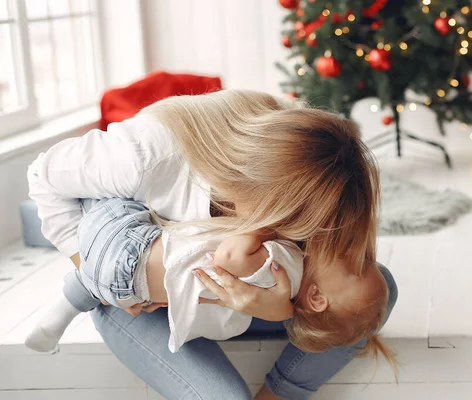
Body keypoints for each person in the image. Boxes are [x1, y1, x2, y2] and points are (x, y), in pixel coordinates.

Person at [27, 90, 398, 400]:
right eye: (294, 221)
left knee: (377, 293)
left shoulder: (315, 172)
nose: (305, 237)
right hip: (133, 297)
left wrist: (280, 309)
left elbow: (326, 294)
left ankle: (281, 393)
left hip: (232, 301)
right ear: (266, 189)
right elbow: (43, 176)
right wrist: (93, 273)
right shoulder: (146, 156)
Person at [25, 197, 387, 357]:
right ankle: (63, 308)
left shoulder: (286, 266)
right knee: (95, 268)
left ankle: (67, 288)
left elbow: (232, 254)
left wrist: (266, 224)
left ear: (318, 297)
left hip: (129, 245)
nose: (355, 254)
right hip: (130, 290)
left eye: (357, 267)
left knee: (103, 200)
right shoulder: (273, 297)